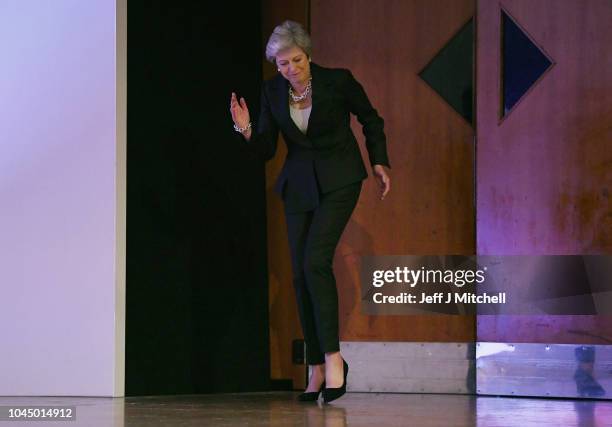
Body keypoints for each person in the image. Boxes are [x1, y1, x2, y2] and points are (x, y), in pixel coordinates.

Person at [229, 20, 391, 403]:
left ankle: (335, 359)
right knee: (301, 274)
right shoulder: (273, 91)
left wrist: (380, 162)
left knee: (316, 261)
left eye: (296, 60)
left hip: (340, 178)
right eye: (282, 64)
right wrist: (247, 129)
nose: (291, 69)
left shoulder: (337, 81)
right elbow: (268, 148)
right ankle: (316, 365)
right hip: (299, 184)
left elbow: (371, 118)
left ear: (308, 54)